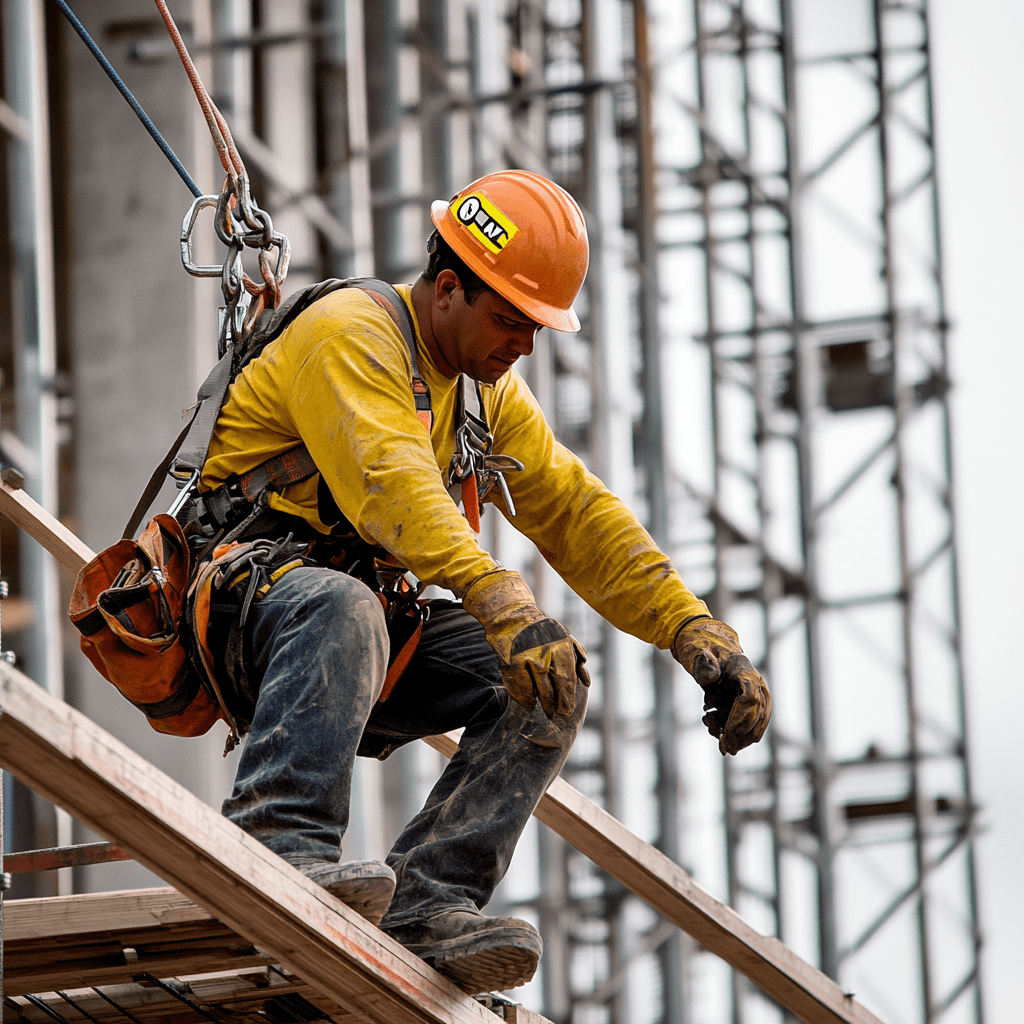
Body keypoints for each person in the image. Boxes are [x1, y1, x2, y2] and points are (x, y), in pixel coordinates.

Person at [194, 169, 771, 995]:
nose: (524, 345)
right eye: (510, 320)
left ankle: (430, 901)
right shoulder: (352, 332)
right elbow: (391, 484)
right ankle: (278, 848)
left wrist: (692, 628)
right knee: (346, 605)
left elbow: (574, 510)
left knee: (547, 680)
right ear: (449, 288)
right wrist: (501, 599)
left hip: (351, 633)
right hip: (248, 605)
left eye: (537, 327)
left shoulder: (481, 391)